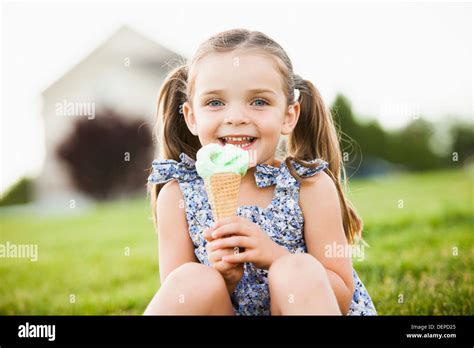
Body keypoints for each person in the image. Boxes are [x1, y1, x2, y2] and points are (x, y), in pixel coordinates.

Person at [144, 29, 376, 315]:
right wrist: (225, 280)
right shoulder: (178, 195)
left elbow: (342, 295)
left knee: (298, 270)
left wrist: (276, 256)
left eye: (259, 102)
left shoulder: (308, 186)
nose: (237, 117)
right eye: (215, 102)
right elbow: (182, 300)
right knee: (192, 281)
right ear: (192, 117)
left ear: (288, 115)